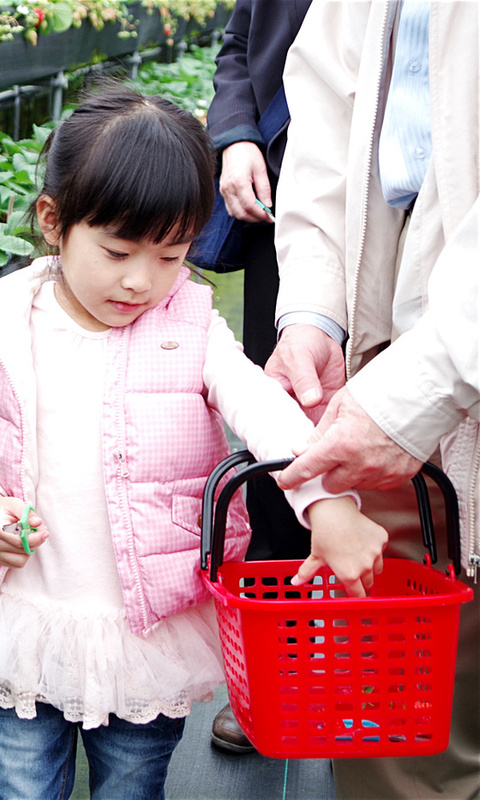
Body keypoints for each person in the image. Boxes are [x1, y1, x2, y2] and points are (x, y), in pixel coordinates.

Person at [0, 85, 387, 800]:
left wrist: (324, 501)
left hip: (145, 636)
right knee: (21, 786)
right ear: (54, 222)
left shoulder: (190, 329)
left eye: (172, 256)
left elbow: (262, 409)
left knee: (132, 783)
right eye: (117, 251)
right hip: (29, 620)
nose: (142, 281)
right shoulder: (5, 326)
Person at [265, 2, 479, 798]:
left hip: (434, 358)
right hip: (390, 343)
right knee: (399, 727)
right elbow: (324, 124)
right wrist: (317, 315)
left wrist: (438, 376)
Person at [200, 0, 311, 755]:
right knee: (285, 405)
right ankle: (280, 663)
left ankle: (412, 654)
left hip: (435, 196)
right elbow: (241, 41)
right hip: (291, 189)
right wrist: (238, 134)